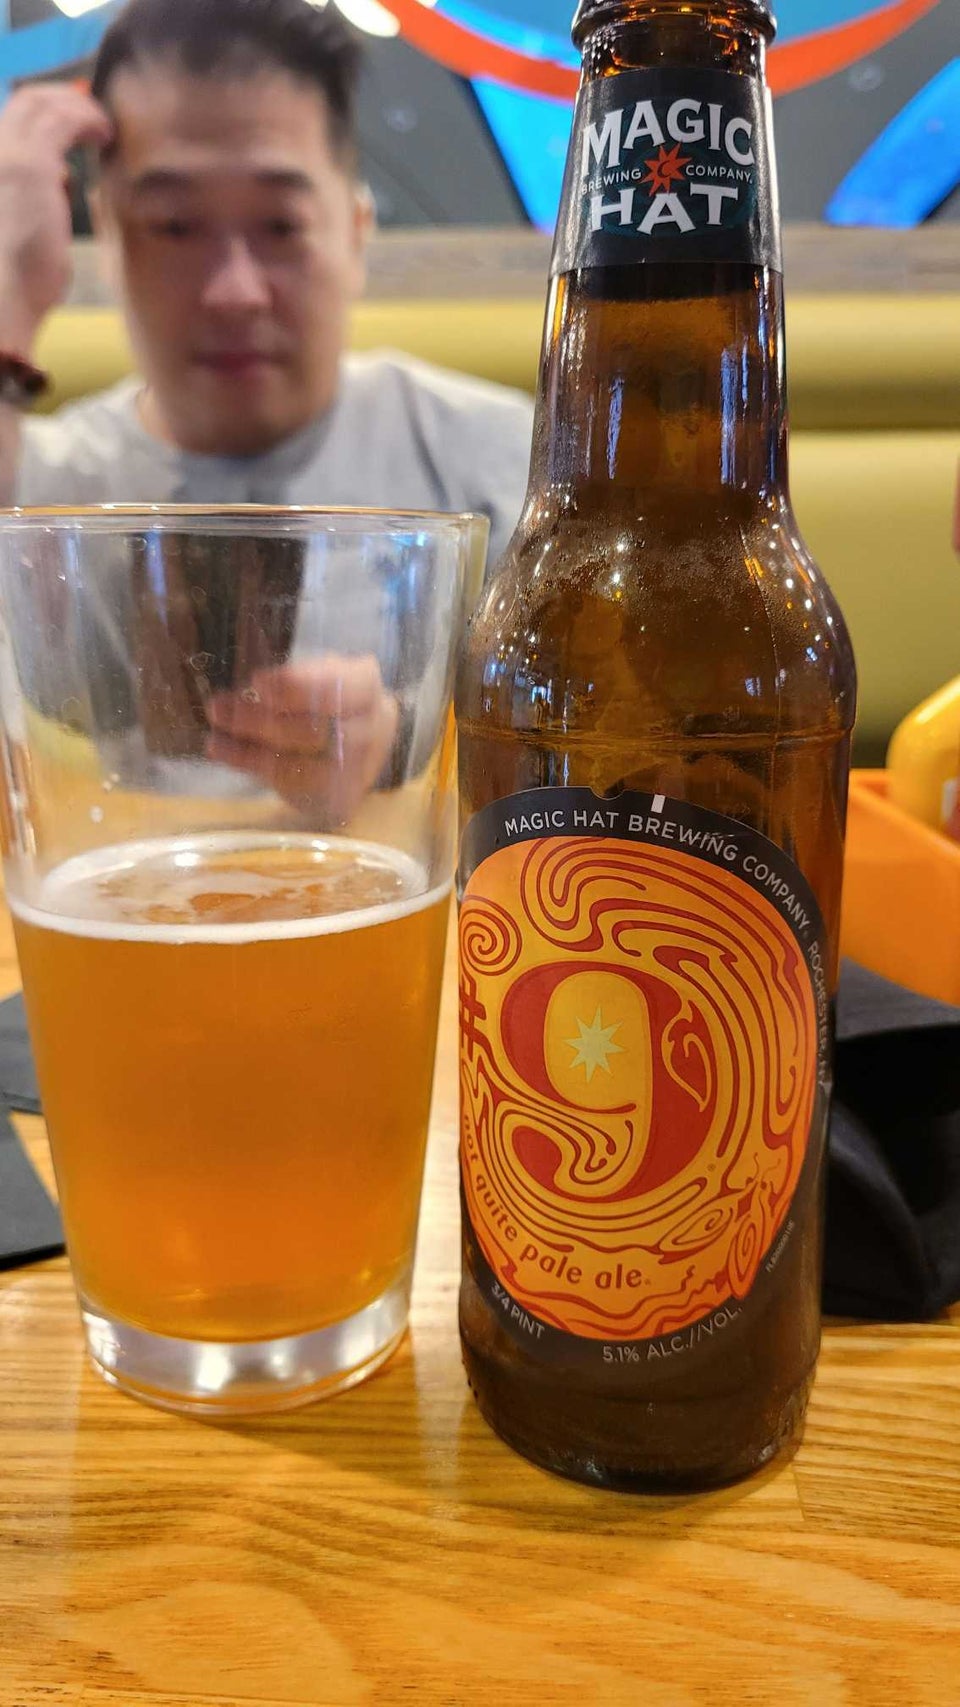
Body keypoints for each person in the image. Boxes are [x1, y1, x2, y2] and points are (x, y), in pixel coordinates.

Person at [0, 0, 534, 813]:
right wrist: (8, 287)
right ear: (105, 235)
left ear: (355, 233)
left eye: (281, 225)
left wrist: (401, 745)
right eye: (174, 225)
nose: (235, 291)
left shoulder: (510, 464)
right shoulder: (38, 489)